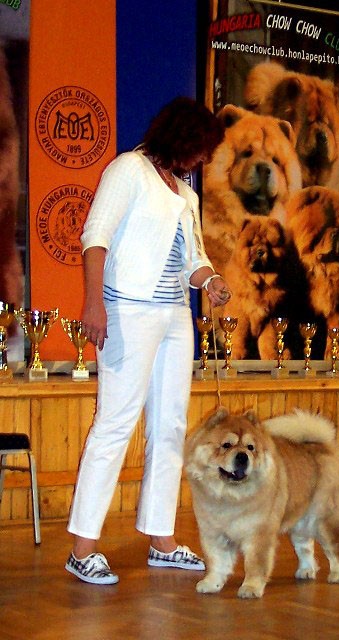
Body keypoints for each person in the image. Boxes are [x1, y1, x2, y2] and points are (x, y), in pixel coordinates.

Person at [65, 97, 231, 585]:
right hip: (126, 310)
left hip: (175, 317)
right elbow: (95, 236)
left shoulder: (187, 194)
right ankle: (82, 549)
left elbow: (193, 259)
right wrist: (93, 303)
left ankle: (162, 540)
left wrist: (210, 280)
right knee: (114, 424)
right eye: (199, 149)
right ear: (181, 138)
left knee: (170, 426)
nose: (201, 160)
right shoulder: (129, 169)